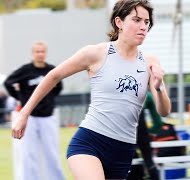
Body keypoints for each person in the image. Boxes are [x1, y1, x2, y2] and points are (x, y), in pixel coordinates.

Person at [11, 1, 171, 180]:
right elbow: (53, 76)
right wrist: (24, 114)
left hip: (123, 149)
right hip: (90, 141)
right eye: (137, 20)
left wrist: (158, 86)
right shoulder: (96, 53)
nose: (143, 26)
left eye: (146, 22)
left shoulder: (150, 61)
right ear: (119, 22)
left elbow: (164, 111)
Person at [3, 41, 65, 180]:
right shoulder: (25, 70)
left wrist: (49, 99)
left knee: (52, 152)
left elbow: (59, 86)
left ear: (46, 53)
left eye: (42, 51)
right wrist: (20, 97)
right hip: (29, 117)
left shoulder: (51, 69)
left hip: (47, 116)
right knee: (29, 153)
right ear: (32, 54)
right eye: (37, 51)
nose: (40, 54)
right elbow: (8, 83)